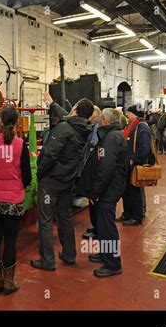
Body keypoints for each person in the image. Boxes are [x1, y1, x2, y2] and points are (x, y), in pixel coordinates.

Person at [30, 97, 93, 271]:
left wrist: (40, 173)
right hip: (67, 180)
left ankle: (47, 261)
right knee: (65, 217)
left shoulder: (64, 128)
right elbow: (67, 117)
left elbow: (49, 155)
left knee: (45, 219)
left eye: (73, 106)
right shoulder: (82, 128)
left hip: (51, 181)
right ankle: (69, 254)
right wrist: (52, 103)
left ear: (76, 109)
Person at [0, 104, 32, 295]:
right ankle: (9, 283)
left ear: (0, 121)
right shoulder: (21, 146)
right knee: (11, 242)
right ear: (17, 121)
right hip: (13, 202)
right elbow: (27, 177)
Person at [77, 108, 128, 277]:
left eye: (100, 120)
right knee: (102, 225)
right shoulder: (112, 135)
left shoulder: (112, 138)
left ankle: (113, 263)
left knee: (107, 226)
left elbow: (106, 167)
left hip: (108, 190)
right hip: (108, 189)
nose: (98, 122)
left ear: (105, 121)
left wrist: (96, 191)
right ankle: (106, 253)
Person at [116, 105, 152, 226]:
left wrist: (133, 160)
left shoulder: (142, 128)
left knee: (134, 191)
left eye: (129, 113)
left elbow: (144, 148)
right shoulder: (132, 126)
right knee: (126, 191)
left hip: (135, 165)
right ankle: (127, 213)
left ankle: (136, 216)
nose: (127, 115)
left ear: (135, 115)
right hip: (128, 165)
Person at [82, 105, 102, 241]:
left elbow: (92, 146)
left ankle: (97, 230)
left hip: (94, 169)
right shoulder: (94, 128)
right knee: (93, 201)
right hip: (92, 168)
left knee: (96, 202)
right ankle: (95, 227)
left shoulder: (97, 130)